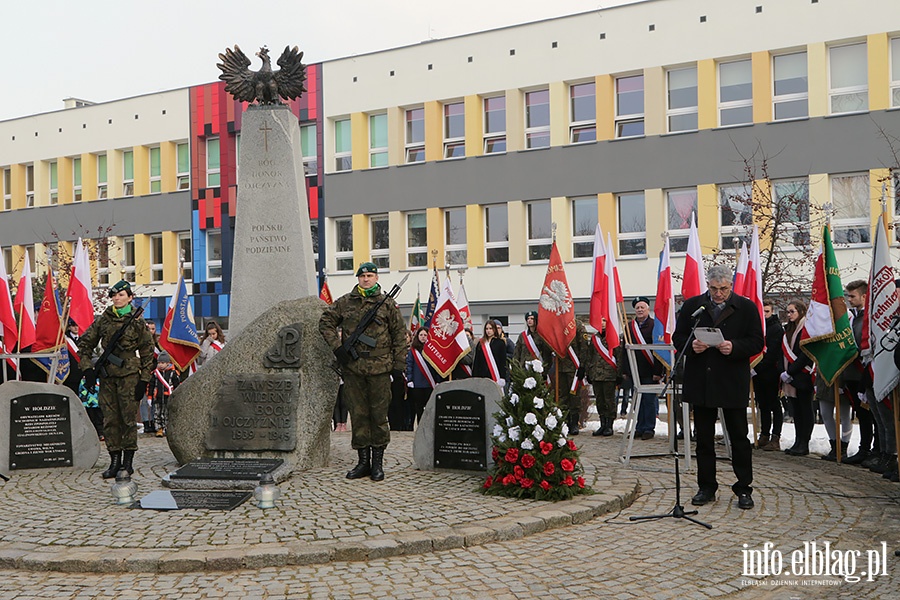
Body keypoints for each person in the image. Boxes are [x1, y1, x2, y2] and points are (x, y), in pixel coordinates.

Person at [673, 265, 764, 510]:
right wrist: (692, 345)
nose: (719, 294)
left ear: (731, 286)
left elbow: (757, 341)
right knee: (703, 439)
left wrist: (734, 347)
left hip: (732, 381)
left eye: (723, 289)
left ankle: (744, 488)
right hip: (702, 381)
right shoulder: (694, 306)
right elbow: (678, 336)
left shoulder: (746, 307)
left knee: (739, 438)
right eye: (714, 289)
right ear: (708, 285)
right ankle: (706, 487)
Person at [319, 262, 408, 482]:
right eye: (362, 276)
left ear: (376, 278)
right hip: (353, 369)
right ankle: (362, 462)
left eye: (370, 275)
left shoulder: (387, 305)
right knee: (358, 415)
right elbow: (325, 322)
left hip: (379, 369)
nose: (366, 279)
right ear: (358, 278)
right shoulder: (345, 302)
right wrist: (338, 349)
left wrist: (399, 367)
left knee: (378, 416)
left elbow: (399, 336)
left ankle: (377, 463)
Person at [77, 280, 155, 479]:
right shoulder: (104, 320)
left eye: (121, 295)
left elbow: (147, 353)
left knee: (128, 420)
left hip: (129, 377)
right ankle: (114, 461)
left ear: (130, 298)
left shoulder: (137, 322)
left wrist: (144, 381)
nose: (117, 298)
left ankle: (127, 463)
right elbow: (85, 344)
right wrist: (87, 370)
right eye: (114, 295)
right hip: (107, 377)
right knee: (110, 420)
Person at [841, 280, 877, 465]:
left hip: (865, 373)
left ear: (864, 296)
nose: (849, 299)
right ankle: (864, 448)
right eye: (848, 295)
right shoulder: (854, 316)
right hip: (853, 374)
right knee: (861, 414)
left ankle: (876, 451)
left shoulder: (869, 318)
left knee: (872, 415)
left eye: (852, 296)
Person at [623, 296, 665, 440]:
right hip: (635, 369)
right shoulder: (629, 327)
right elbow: (625, 350)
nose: (640, 310)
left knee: (648, 400)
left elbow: (659, 349)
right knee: (637, 401)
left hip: (650, 369)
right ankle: (639, 427)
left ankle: (649, 428)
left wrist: (658, 372)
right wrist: (625, 370)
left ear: (648, 309)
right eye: (637, 308)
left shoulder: (655, 325)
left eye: (643, 307)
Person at [781, 300, 815, 456]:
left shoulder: (806, 329)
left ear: (801, 311)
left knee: (805, 410)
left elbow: (805, 355)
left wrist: (791, 372)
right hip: (791, 378)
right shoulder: (789, 329)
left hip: (802, 375)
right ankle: (798, 440)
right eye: (787, 312)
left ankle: (804, 443)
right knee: (797, 412)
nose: (789, 315)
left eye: (792, 311)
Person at [753, 300, 784, 451]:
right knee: (762, 404)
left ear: (772, 311)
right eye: (762, 312)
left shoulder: (776, 328)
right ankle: (764, 434)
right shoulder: (757, 327)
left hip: (771, 371)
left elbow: (773, 352)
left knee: (774, 404)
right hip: (757, 372)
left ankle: (776, 436)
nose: (764, 315)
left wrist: (759, 367)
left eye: (767, 311)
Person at [585, 318, 621, 437]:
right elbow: (589, 356)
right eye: (600, 321)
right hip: (596, 374)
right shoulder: (595, 339)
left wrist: (620, 374)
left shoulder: (613, 337)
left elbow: (619, 356)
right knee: (599, 401)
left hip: (609, 374)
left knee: (609, 401)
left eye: (604, 321)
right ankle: (603, 424)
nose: (602, 323)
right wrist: (588, 372)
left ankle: (609, 426)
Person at [406, 327, 442, 428]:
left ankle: (430, 426)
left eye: (425, 335)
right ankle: (421, 426)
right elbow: (409, 365)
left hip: (430, 383)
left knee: (430, 407)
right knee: (418, 407)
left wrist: (438, 380)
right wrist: (410, 379)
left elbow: (437, 365)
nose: (423, 337)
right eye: (421, 335)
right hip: (417, 383)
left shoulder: (432, 349)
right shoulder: (413, 351)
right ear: (417, 336)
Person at [147, 351, 181, 438]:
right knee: (157, 413)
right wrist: (150, 396)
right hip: (157, 397)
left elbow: (177, 386)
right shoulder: (155, 374)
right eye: (159, 363)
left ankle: (167, 428)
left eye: (162, 363)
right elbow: (151, 385)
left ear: (168, 363)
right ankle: (159, 429)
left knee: (167, 414)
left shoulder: (173, 373)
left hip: (168, 397)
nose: (160, 365)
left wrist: (176, 397)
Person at [472, 320, 508, 388]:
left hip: (495, 375)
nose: (488, 331)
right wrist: (475, 377)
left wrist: (502, 377)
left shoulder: (500, 343)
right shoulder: (480, 343)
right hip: (482, 376)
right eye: (487, 329)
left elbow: (502, 362)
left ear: (494, 329)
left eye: (490, 328)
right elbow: (477, 361)